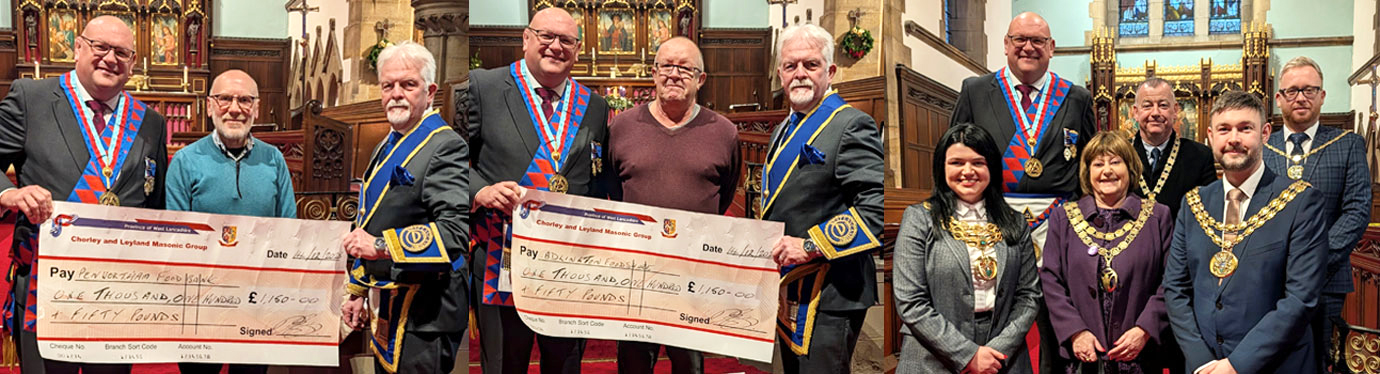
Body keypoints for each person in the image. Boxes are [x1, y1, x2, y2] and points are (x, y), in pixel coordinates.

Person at [0, 15, 167, 374]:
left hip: (118, 289)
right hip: (49, 282)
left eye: (122, 52)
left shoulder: (151, 122)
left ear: (133, 63)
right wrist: (7, 194)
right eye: (100, 47)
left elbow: (156, 204)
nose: (111, 58)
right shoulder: (33, 98)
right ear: (77, 47)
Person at [456, 8, 609, 374]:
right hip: (501, 257)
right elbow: (452, 163)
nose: (556, 47)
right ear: (526, 38)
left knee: (566, 362)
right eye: (546, 37)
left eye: (566, 41)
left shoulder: (595, 107)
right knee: (507, 363)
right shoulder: (484, 87)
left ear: (577, 49)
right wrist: (481, 192)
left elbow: (599, 179)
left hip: (569, 265)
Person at [950, 11, 1096, 373]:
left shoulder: (1075, 97)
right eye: (1020, 39)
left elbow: (1089, 164)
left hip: (1059, 224)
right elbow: (953, 153)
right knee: (996, 307)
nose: (1028, 47)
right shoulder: (975, 89)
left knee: (1056, 310)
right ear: (1006, 45)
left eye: (1038, 41)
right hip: (991, 219)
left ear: (1052, 48)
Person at [1162, 91, 1326, 374]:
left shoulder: (1300, 202)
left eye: (1245, 128)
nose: (1233, 139)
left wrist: (1237, 365)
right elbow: (1175, 289)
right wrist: (1201, 361)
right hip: (1205, 366)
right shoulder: (1193, 204)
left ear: (1264, 133)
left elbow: (1301, 298)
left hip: (1277, 364)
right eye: (1224, 130)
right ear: (1211, 136)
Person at [605, 37, 739, 374]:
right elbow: (611, 187)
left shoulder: (723, 132)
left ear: (701, 79)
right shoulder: (622, 127)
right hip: (636, 271)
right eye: (667, 66)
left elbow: (725, 193)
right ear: (654, 73)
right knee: (634, 362)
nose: (674, 75)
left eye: (685, 68)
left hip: (693, 271)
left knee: (689, 363)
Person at [339, 41, 471, 374]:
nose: (396, 93)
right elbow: (370, 220)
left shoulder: (445, 145)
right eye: (388, 85)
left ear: (429, 92)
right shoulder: (387, 143)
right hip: (390, 302)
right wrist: (357, 289)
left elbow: (455, 232)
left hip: (427, 313)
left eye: (408, 84)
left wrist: (380, 247)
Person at [763, 23, 884, 374]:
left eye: (810, 65)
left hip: (831, 292)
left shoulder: (851, 124)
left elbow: (872, 212)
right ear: (780, 74)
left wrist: (812, 245)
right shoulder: (784, 127)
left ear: (830, 71)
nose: (799, 73)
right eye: (790, 66)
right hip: (793, 289)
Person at [166, 70, 293, 374]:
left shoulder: (274, 159)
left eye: (245, 100)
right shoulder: (186, 160)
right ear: (210, 105)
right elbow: (176, 233)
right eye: (225, 98)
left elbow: (289, 228)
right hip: (201, 302)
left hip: (256, 300)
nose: (235, 108)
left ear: (257, 108)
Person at [894, 123, 1039, 374]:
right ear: (942, 167)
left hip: (1003, 358)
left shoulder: (1015, 222)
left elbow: (1029, 295)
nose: (967, 171)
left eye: (978, 163)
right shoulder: (919, 219)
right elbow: (910, 301)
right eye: (957, 163)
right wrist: (967, 355)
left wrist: (997, 351)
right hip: (933, 356)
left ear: (991, 167)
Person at [1264, 56, 1371, 366]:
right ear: (1279, 98)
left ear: (1322, 96)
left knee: (1319, 360)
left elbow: (1356, 211)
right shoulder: (1261, 147)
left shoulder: (1347, 144)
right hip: (1269, 281)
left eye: (1310, 90)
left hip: (1326, 280)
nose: (1301, 97)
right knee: (1268, 360)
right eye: (1293, 90)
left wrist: (1314, 260)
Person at [1041, 132, 1177, 374]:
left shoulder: (1158, 216)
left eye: (1115, 162)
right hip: (1084, 358)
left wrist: (1144, 330)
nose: (1107, 171)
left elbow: (1172, 281)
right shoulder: (1063, 218)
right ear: (1087, 171)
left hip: (1141, 357)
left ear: (1130, 167)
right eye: (1098, 164)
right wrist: (1075, 332)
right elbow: (1051, 281)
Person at [1129, 78, 1217, 217]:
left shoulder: (1200, 156)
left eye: (1163, 105)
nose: (1155, 113)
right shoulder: (1120, 153)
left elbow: (1210, 211)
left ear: (1175, 110)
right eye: (1147, 106)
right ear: (1135, 112)